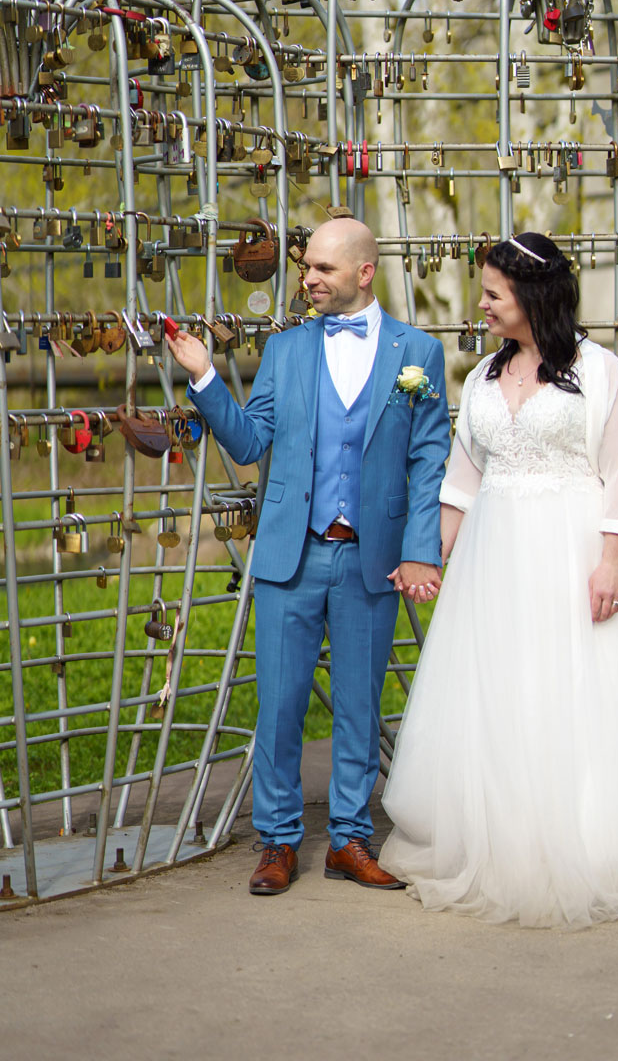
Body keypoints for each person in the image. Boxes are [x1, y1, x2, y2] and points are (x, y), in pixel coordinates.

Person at [380, 232, 618, 928]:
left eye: (493, 294)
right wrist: (429, 556)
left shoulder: (600, 371)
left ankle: (590, 843)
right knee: (505, 691)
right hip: (495, 560)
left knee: (575, 689)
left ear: (533, 295)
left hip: (573, 551)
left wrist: (612, 560)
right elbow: (462, 482)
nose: (482, 305)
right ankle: (507, 839)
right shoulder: (482, 378)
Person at [168, 218, 451, 895]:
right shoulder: (286, 349)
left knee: (359, 708)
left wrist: (420, 550)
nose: (309, 278)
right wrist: (205, 375)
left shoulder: (418, 353)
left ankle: (350, 839)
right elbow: (248, 443)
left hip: (370, 557)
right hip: (289, 556)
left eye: (324, 268)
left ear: (363, 272)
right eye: (307, 267)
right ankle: (278, 840)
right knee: (280, 706)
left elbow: (429, 456)